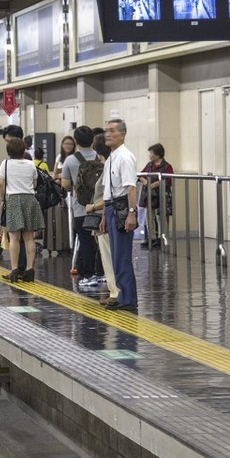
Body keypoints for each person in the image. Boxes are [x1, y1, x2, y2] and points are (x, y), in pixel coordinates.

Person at [100, 118, 138, 312]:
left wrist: (131, 214)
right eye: (106, 130)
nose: (108, 134)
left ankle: (128, 298)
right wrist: (105, 215)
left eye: (113, 130)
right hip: (111, 207)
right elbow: (109, 189)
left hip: (122, 208)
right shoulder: (111, 157)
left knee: (122, 255)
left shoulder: (125, 157)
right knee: (115, 256)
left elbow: (131, 187)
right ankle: (121, 294)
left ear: (122, 134)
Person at [62, 126, 103, 289]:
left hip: (81, 208)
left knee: (85, 241)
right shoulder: (100, 157)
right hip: (100, 206)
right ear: (92, 139)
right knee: (100, 240)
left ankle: (88, 275)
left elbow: (66, 184)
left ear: (76, 142)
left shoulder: (71, 160)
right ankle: (101, 273)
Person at [0, 138, 42, 282]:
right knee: (29, 238)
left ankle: (15, 270)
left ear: (9, 151)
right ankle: (30, 270)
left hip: (14, 199)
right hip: (30, 199)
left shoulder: (5, 164)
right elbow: (34, 183)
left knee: (14, 238)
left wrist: (3, 198)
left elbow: (0, 184)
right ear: (23, 150)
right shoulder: (30, 164)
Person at [84, 134, 118, 304]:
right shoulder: (109, 164)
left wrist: (92, 207)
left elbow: (107, 196)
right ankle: (115, 290)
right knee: (109, 255)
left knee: (108, 255)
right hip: (106, 216)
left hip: (103, 217)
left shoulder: (108, 166)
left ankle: (115, 292)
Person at [138, 143, 174, 249]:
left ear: (158, 155)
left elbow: (168, 180)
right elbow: (141, 175)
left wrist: (155, 184)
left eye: (152, 154)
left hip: (161, 195)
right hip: (150, 195)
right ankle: (151, 237)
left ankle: (161, 238)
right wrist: (145, 182)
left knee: (161, 217)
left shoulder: (167, 166)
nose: (150, 156)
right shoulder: (149, 165)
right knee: (149, 216)